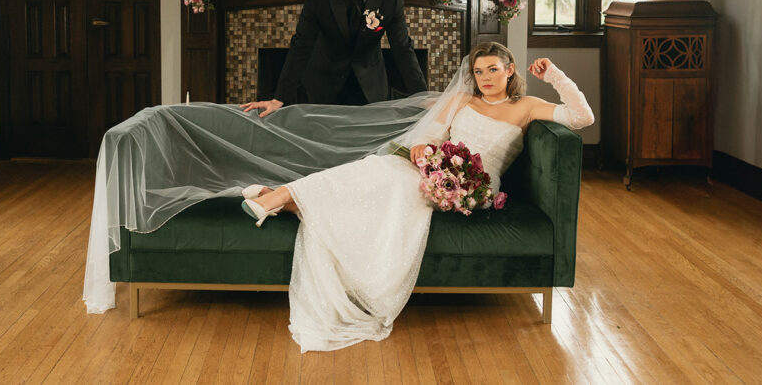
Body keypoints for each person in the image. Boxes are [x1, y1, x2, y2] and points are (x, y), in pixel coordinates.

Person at [239, 42, 594, 352]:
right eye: (478, 71)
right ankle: (282, 196)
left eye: (493, 70)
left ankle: (280, 199)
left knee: (392, 183)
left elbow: (582, 117)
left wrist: (555, 75)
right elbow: (427, 139)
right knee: (375, 171)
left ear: (510, 70)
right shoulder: (460, 100)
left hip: (473, 187)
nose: (485, 78)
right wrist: (423, 152)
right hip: (433, 172)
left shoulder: (527, 106)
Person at [241, 0, 426, 117]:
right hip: (322, 88)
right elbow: (301, 45)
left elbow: (402, 47)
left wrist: (423, 96)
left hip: (372, 90)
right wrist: (279, 98)